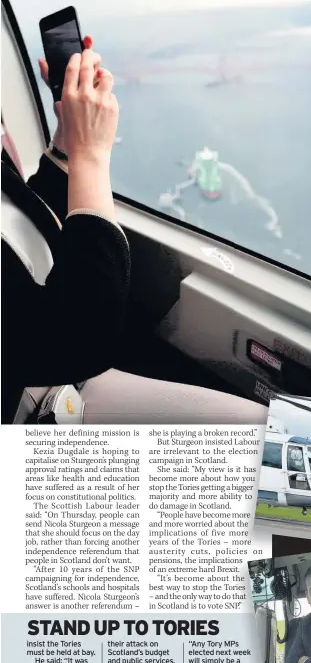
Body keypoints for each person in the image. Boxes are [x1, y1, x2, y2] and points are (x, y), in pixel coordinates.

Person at [1, 37, 267, 426]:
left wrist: (66, 145)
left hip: (50, 376)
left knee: (259, 431)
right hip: (37, 381)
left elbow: (15, 232)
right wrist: (91, 154)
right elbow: (81, 339)